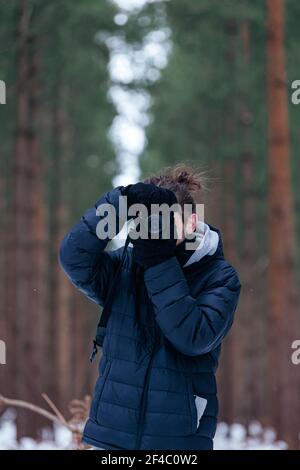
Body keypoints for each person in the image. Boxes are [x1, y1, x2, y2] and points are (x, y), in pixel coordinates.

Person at [59, 164, 241, 450]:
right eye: (150, 218)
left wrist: (158, 262)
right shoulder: (126, 265)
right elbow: (74, 258)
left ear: (192, 223)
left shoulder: (219, 277)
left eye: (169, 219)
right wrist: (120, 201)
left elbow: (193, 337)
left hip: (179, 442)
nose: (157, 226)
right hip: (112, 436)